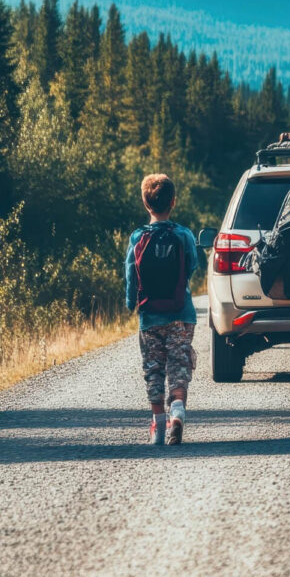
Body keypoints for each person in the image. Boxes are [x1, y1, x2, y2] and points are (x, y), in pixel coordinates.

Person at [125, 173, 199, 446]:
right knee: (179, 364)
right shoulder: (183, 234)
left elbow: (131, 276)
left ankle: (158, 426)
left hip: (150, 315)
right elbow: (192, 266)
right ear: (174, 202)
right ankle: (177, 411)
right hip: (181, 313)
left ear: (146, 204)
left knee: (153, 369)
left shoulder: (137, 238)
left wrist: (131, 303)